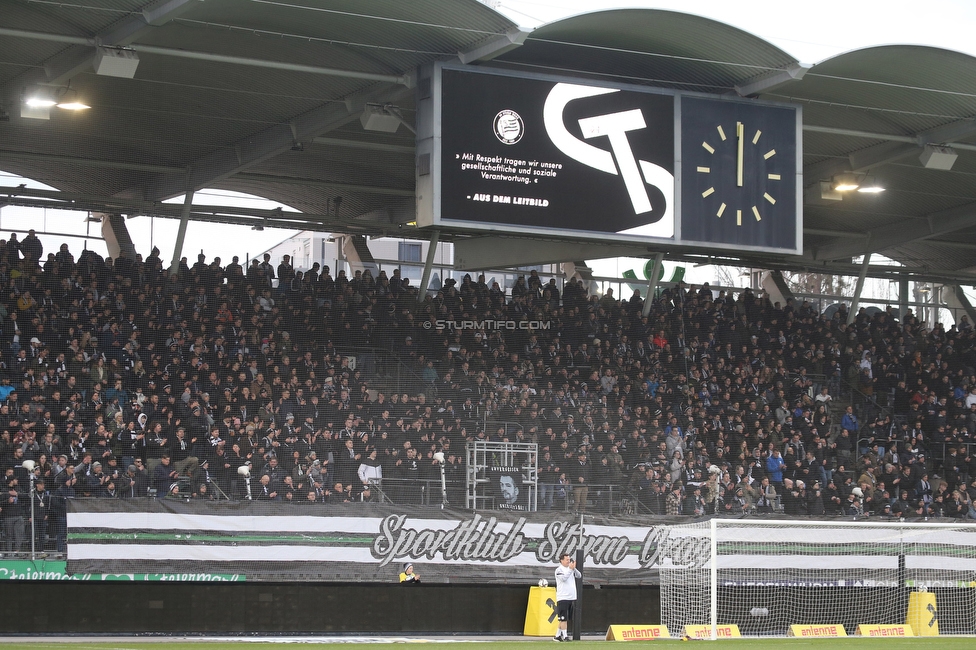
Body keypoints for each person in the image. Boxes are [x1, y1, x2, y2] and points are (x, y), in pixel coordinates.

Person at [553, 552, 581, 642]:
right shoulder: (559, 570)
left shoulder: (571, 569)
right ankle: (565, 636)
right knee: (563, 618)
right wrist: (570, 569)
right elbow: (564, 578)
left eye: (569, 560)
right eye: (567, 560)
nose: (568, 561)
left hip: (571, 596)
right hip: (563, 597)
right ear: (561, 561)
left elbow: (579, 576)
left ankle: (557, 635)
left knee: (564, 618)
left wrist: (574, 569)